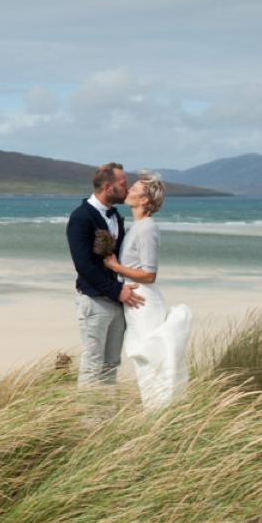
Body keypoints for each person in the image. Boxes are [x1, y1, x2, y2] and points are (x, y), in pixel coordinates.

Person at [103, 171, 194, 408]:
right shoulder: (138, 226)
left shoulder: (147, 228)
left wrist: (115, 266)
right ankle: (154, 411)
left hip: (143, 302)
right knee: (144, 359)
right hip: (135, 301)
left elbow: (150, 274)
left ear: (144, 200)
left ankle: (159, 411)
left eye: (134, 189)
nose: (129, 191)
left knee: (149, 358)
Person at [67, 162, 144, 388]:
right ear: (108, 187)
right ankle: (88, 420)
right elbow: (83, 265)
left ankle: (104, 418)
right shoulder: (81, 217)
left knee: (111, 363)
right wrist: (117, 291)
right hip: (94, 301)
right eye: (123, 184)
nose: (127, 188)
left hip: (117, 303)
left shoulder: (116, 217)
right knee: (92, 363)